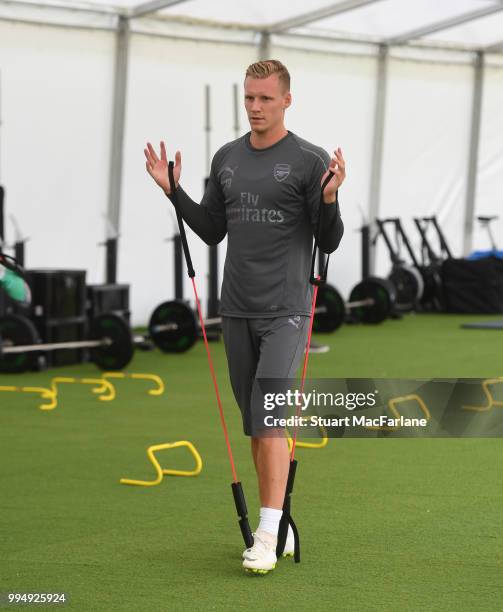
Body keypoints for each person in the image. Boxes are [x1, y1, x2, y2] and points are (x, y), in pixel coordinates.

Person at [144, 59, 345, 574]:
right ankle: (282, 521)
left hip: (287, 311)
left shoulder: (308, 159)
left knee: (270, 419)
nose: (255, 107)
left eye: (265, 99)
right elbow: (212, 229)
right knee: (256, 426)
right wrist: (174, 191)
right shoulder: (227, 158)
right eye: (249, 98)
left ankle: (267, 531)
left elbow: (327, 240)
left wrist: (329, 197)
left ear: (286, 100)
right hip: (235, 308)